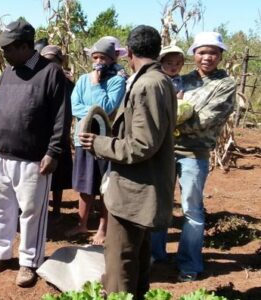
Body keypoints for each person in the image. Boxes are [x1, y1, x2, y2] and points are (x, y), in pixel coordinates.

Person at [78, 25, 176, 298]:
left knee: (120, 266)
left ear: (129, 53)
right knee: (137, 261)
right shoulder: (161, 80)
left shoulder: (146, 85)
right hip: (143, 189)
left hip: (135, 191)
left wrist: (99, 143)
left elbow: (142, 145)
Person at [0, 19, 69, 287]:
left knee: (32, 213)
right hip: (3, 155)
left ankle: (29, 262)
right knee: (0, 209)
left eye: (8, 48)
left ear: (24, 47)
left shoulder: (50, 73)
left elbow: (61, 117)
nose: (4, 53)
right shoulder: (10, 71)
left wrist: (53, 151)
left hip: (35, 159)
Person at [150, 32, 236, 282]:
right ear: (194, 55)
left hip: (194, 154)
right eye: (202, 52)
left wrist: (169, 124)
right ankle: (156, 254)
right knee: (159, 205)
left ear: (220, 56)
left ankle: (189, 264)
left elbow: (208, 119)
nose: (207, 57)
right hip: (166, 152)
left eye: (213, 52)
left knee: (191, 210)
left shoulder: (225, 85)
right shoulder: (182, 80)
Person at [67, 37, 127, 244]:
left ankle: (103, 229)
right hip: (82, 139)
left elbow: (108, 108)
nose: (98, 61)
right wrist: (93, 112)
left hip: (104, 141)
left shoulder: (117, 80)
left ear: (112, 59)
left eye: (103, 57)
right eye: (95, 57)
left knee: (105, 187)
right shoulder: (83, 79)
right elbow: (75, 106)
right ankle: (81, 224)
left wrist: (96, 85)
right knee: (85, 184)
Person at [40, 45, 74, 218]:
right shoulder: (39, 79)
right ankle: (43, 208)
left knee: (58, 176)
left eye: (53, 61)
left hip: (59, 133)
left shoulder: (67, 82)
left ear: (60, 62)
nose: (50, 65)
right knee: (42, 174)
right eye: (46, 61)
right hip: (41, 133)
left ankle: (57, 210)